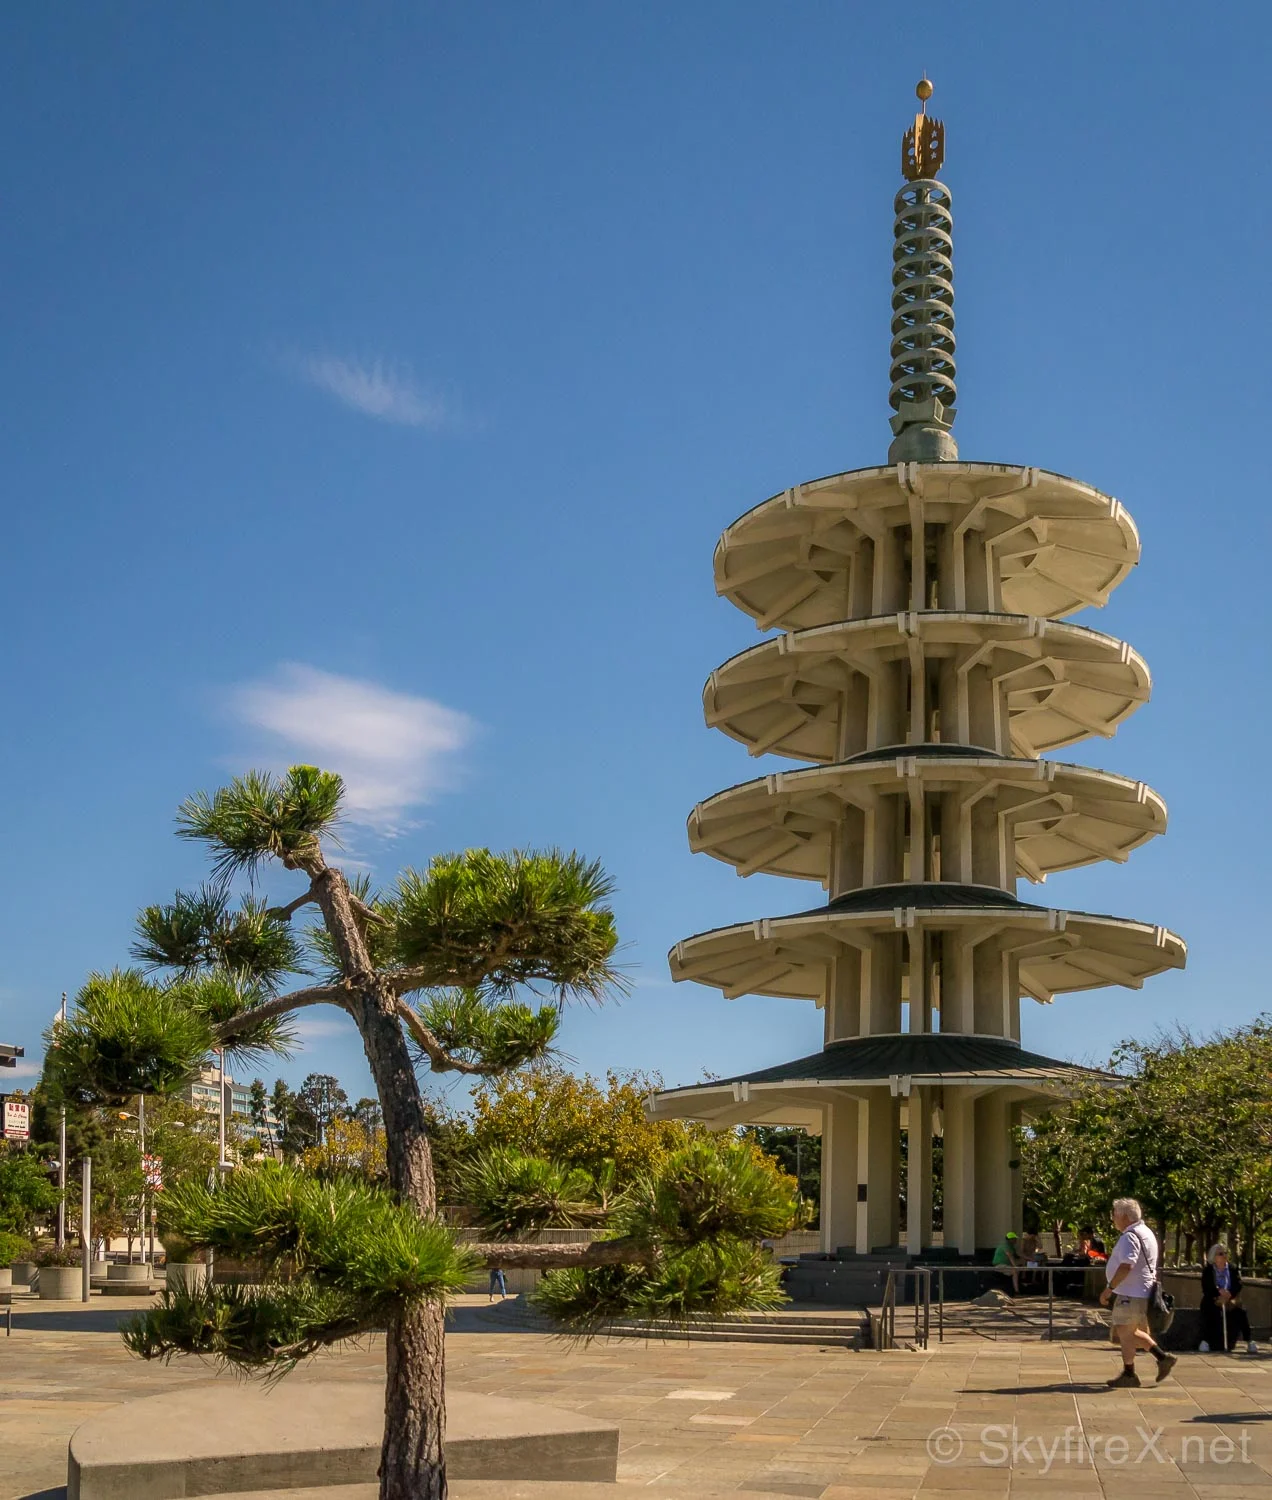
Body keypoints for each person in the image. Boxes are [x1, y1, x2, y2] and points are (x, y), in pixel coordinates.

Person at [1099, 1197, 1176, 1387]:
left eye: (1115, 1214)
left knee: (1125, 1333)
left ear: (1125, 1216)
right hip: (1140, 1293)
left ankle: (1129, 1374)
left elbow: (1127, 1265)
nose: (1113, 1219)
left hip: (1130, 1294)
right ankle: (1162, 1358)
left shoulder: (1130, 1236)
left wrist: (1109, 1289)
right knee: (1129, 1332)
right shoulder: (1145, 1232)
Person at [1199, 1244, 1257, 1355]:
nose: (1224, 1255)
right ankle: (1205, 1340)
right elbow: (1206, 1287)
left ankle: (1249, 1341)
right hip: (1214, 1298)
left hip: (1230, 1299)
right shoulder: (1208, 1270)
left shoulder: (1232, 1268)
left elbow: (1238, 1284)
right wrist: (1218, 1293)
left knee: (1241, 1312)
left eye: (1225, 1253)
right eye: (1221, 1254)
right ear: (1214, 1256)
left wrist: (1229, 1294)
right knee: (1209, 1310)